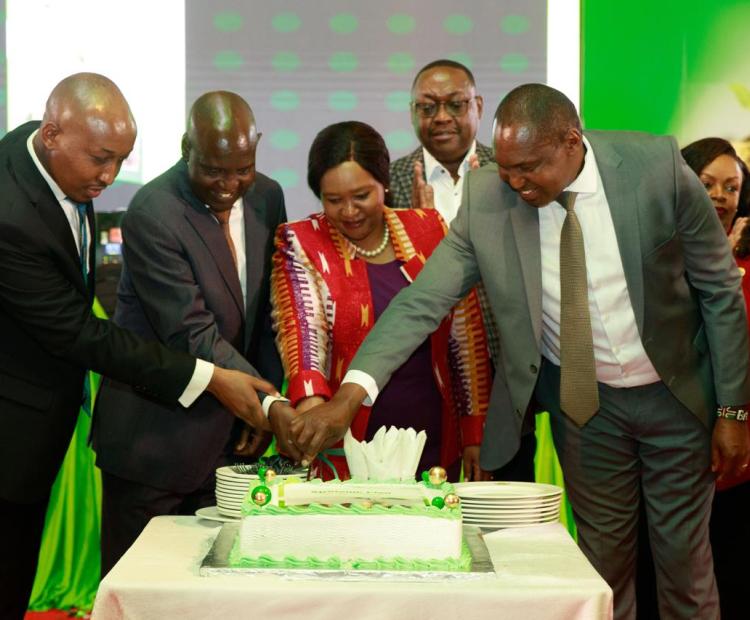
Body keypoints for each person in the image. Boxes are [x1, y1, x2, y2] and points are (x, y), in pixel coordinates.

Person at [288, 84, 750, 620]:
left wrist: (733, 410)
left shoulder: (658, 169)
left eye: (529, 168)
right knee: (600, 569)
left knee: (684, 568)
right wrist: (351, 394)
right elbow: (422, 302)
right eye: (505, 166)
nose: (514, 181)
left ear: (571, 143)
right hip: (587, 411)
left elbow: (720, 292)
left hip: (676, 397)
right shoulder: (490, 198)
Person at [0, 73, 278, 619]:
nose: (111, 176)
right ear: (53, 134)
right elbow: (81, 333)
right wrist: (214, 380)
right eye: (101, 159)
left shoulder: (43, 155)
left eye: (122, 159)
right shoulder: (11, 217)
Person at [92, 91, 295, 576]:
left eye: (241, 168)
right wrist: (270, 406)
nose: (229, 184)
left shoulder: (268, 195)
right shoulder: (152, 211)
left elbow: (270, 310)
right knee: (143, 594)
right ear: (187, 146)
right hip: (154, 447)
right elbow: (191, 331)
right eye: (213, 170)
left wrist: (256, 407)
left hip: (229, 446)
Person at [271, 121, 491, 480]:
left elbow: (465, 339)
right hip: (345, 442)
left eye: (361, 196)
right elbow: (304, 337)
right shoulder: (302, 241)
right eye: (333, 200)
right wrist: (314, 418)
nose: (349, 211)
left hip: (431, 436)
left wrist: (475, 431)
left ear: (385, 184)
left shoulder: (429, 227)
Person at [391, 59, 529, 479]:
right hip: (424, 369)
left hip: (507, 365)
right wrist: (418, 228)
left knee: (506, 496)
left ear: (479, 106)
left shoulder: (512, 172)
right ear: (413, 111)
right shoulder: (390, 176)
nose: (442, 118)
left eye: (455, 104)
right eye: (427, 107)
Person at [681, 137, 750, 620]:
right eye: (707, 184)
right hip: (672, 448)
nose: (721, 196)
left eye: (732, 187)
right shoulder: (657, 258)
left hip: (736, 449)